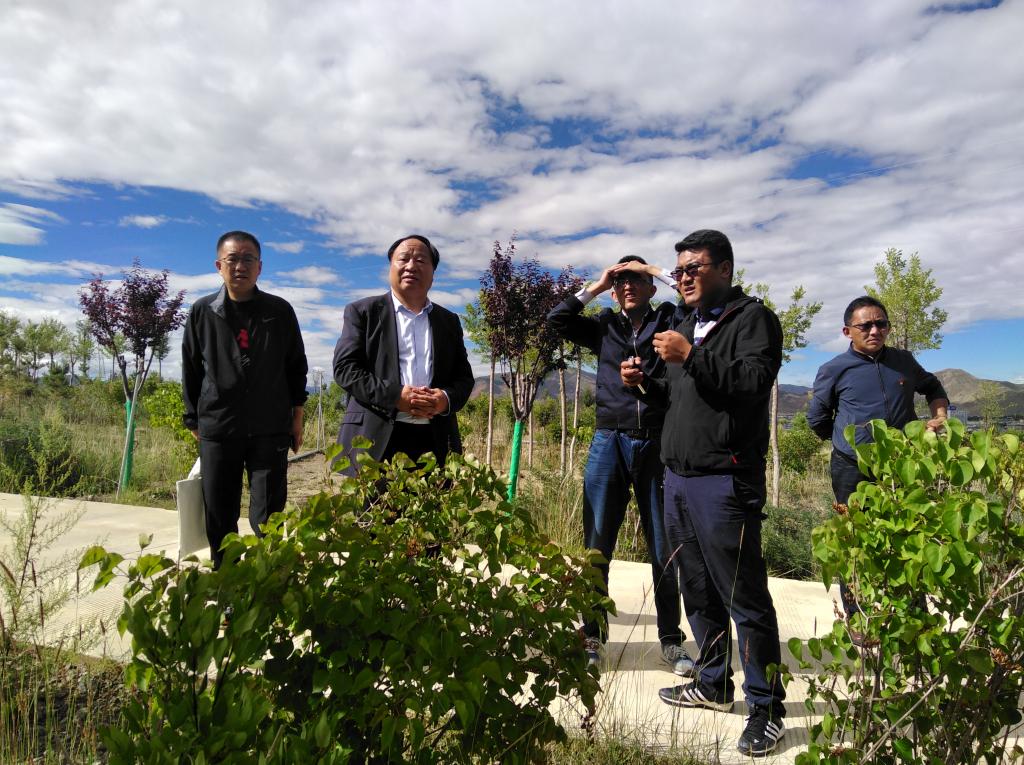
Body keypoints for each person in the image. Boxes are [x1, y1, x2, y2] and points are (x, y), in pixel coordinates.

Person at [623, 229, 786, 757]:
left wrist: (690, 354)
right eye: (679, 270)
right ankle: (713, 682)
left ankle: (767, 709)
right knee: (697, 589)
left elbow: (751, 383)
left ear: (725, 269)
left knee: (744, 597)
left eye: (694, 267)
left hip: (725, 480)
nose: (684, 277)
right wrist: (642, 383)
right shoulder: (686, 324)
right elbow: (677, 397)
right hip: (677, 479)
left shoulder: (753, 320)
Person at [547, 256, 694, 676]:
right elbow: (557, 320)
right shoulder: (605, 325)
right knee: (597, 545)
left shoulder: (668, 318)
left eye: (636, 280)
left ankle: (670, 640)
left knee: (664, 547)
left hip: (656, 441)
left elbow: (694, 304)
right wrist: (597, 285)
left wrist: (655, 270)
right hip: (608, 440)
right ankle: (593, 635)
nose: (628, 285)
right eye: (621, 281)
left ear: (650, 289)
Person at [807, 295, 949, 616]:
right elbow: (817, 418)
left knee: (909, 533)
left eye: (881, 324)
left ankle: (912, 613)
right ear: (847, 331)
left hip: (902, 465)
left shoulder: (903, 361)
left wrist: (939, 417)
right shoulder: (834, 369)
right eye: (866, 325)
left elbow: (933, 386)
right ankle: (857, 618)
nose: (874, 330)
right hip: (851, 470)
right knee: (854, 540)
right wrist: (847, 443)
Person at [182, 230, 308, 569]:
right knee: (220, 513)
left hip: (270, 427)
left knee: (268, 514)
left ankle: (268, 578)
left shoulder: (279, 311)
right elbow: (191, 368)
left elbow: (296, 367)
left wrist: (296, 419)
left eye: (248, 259)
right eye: (233, 259)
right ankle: (227, 582)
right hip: (219, 426)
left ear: (260, 267)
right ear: (219, 266)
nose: (240, 266)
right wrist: (193, 419)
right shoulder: (203, 311)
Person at [333, 235, 474, 474]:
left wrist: (444, 399)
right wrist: (395, 396)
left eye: (420, 260)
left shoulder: (448, 321)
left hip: (436, 441)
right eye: (404, 258)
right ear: (390, 267)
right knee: (376, 500)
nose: (411, 266)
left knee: (435, 500)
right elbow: (345, 369)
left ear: (433, 272)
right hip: (375, 442)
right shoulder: (363, 312)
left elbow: (464, 378)